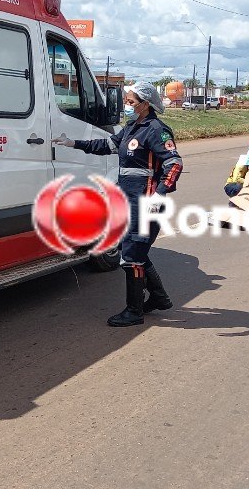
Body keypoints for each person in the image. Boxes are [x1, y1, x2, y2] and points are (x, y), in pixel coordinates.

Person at [53, 82, 183, 327]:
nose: (127, 105)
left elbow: (174, 164)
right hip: (129, 201)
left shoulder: (156, 130)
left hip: (145, 204)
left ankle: (134, 311)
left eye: (132, 102)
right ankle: (158, 297)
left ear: (145, 104)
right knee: (132, 251)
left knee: (132, 257)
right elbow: (107, 145)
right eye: (127, 101)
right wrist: (73, 143)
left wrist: (160, 194)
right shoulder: (132, 127)